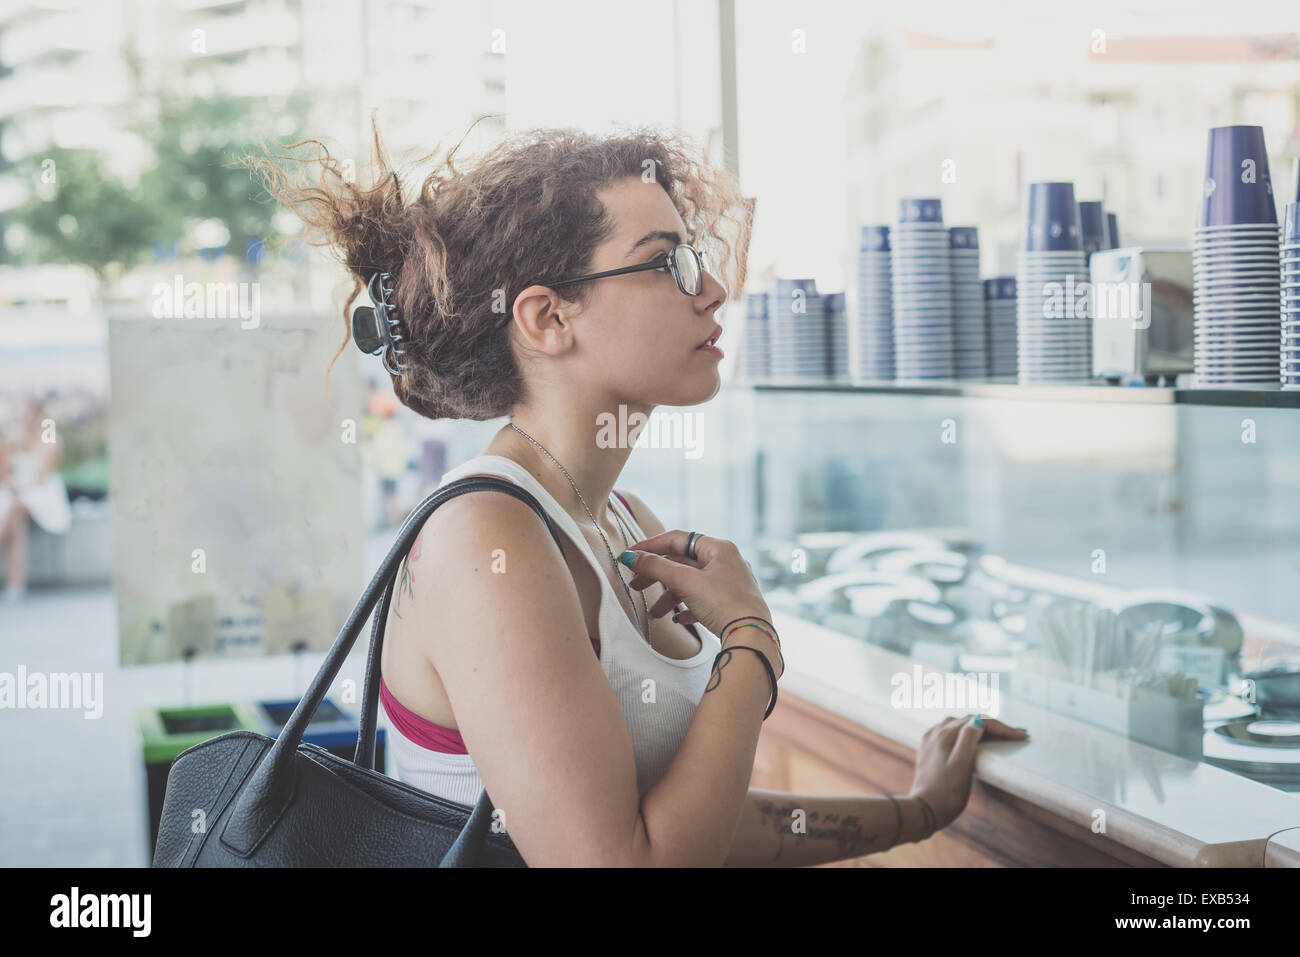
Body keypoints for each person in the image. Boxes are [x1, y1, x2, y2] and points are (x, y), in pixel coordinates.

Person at [249, 118, 1027, 866]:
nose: (715, 287)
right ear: (548, 318)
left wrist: (919, 810)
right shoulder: (487, 537)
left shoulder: (621, 521)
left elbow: (693, 824)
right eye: (669, 263)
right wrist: (750, 642)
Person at [0, 396, 72, 603]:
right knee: (16, 519)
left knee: (15, 511)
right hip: (14, 491)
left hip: (42, 490)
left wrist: (29, 443)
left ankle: (16, 584)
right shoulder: (10, 436)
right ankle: (16, 584)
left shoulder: (48, 435)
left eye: (30, 413)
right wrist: (15, 489)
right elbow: (4, 472)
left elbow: (45, 472)